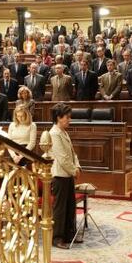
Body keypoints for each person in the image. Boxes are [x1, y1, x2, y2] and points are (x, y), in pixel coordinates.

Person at [49, 103, 82, 249]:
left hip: (67, 174)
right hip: (60, 175)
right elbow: (62, 158)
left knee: (70, 205)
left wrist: (78, 166)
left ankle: (69, 235)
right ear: (58, 118)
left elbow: (72, 153)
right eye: (67, 117)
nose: (69, 120)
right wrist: (73, 170)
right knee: (60, 208)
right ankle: (57, 238)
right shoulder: (54, 133)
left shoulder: (63, 131)